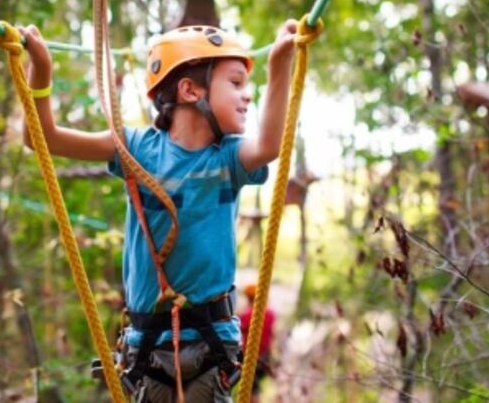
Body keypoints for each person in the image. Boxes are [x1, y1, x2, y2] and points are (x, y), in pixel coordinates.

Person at [19, 20, 298, 402]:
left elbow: (269, 145)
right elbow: (41, 137)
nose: (246, 96)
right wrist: (41, 70)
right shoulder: (136, 149)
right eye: (235, 83)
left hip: (210, 343)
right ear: (189, 90)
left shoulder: (230, 158)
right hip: (148, 347)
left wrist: (280, 65)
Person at [238, 283, 276, 401]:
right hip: (264, 357)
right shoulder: (270, 314)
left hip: (249, 357)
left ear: (248, 298)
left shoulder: (245, 315)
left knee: (250, 390)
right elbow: (272, 335)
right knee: (254, 389)